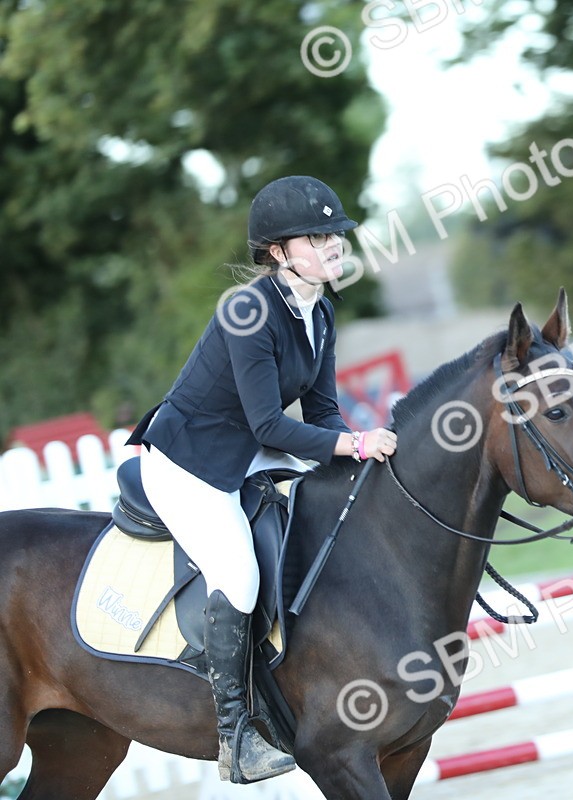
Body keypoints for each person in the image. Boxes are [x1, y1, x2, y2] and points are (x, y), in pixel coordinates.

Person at [126, 176, 398, 783]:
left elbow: (323, 414)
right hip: (187, 461)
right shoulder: (247, 311)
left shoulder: (320, 310)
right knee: (240, 576)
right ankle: (236, 735)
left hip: (244, 450)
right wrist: (353, 444)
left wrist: (362, 462)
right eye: (319, 237)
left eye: (337, 235)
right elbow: (271, 424)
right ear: (278, 252)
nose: (334, 246)